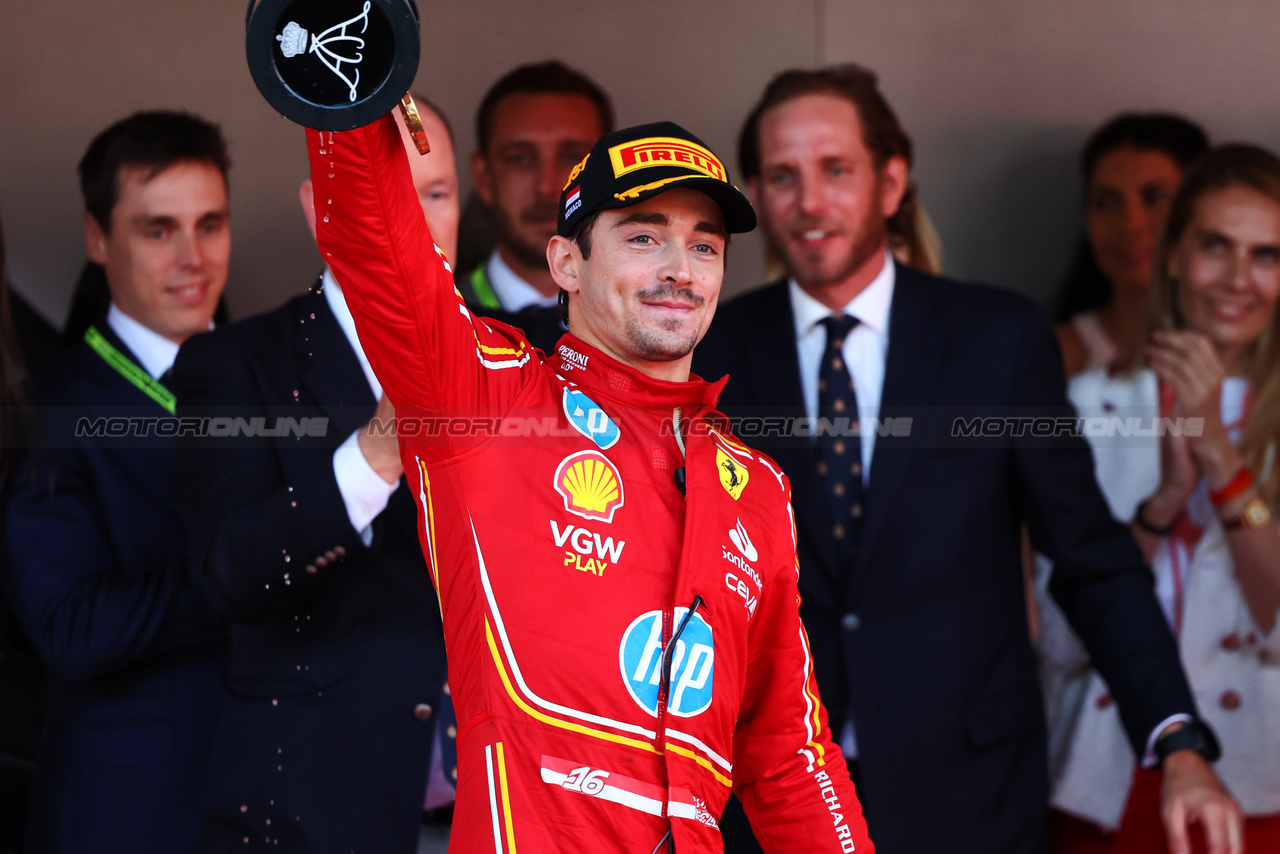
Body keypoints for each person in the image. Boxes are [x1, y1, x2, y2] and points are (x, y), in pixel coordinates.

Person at [692, 64, 1240, 854]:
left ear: (891, 181)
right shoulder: (711, 349)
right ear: (752, 191)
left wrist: (1177, 738)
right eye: (783, 176)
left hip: (968, 796)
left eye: (836, 170)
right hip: (767, 799)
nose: (810, 202)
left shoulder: (998, 339)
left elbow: (1088, 557)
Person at [302, 110, 873, 852]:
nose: (680, 269)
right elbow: (379, 253)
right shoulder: (488, 398)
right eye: (644, 237)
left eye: (705, 246)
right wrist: (348, 99)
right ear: (566, 263)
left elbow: (791, 761)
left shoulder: (757, 489)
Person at [171, 100, 455, 854]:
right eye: (384, 197)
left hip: (507, 814)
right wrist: (379, 452)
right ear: (317, 209)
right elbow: (226, 575)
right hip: (314, 812)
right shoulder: (233, 365)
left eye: (436, 195)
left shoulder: (522, 357)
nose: (414, 224)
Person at [1, 110, 230, 853]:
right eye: (158, 230)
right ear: (98, 238)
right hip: (123, 816)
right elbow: (74, 630)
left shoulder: (287, 380)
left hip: (284, 801)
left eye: (210, 224)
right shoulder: (43, 407)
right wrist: (257, 558)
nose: (193, 258)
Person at [1040, 143, 1280, 854]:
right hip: (1104, 778)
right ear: (1173, 255)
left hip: (1257, 783)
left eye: (1267, 255)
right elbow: (1056, 641)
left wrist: (1221, 458)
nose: (1238, 279)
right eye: (1216, 246)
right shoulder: (1086, 401)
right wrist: (1163, 503)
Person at [457, 60, 614, 352]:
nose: (547, 187)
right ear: (484, 178)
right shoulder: (435, 324)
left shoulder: (657, 323)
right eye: (520, 158)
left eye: (572, 158)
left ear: (609, 177)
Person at [1053, 114, 1209, 377]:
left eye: (1156, 198)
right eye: (1107, 202)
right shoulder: (1051, 354)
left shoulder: (1250, 351)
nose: (1130, 224)